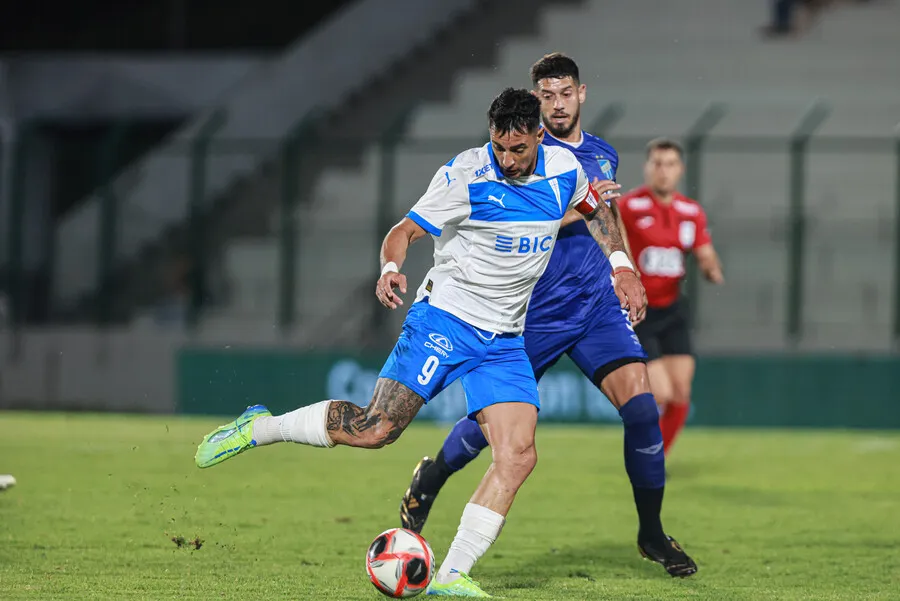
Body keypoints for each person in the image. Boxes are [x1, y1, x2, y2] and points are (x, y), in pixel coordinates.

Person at [193, 87, 646, 597]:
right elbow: (403, 230)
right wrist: (390, 267)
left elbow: (596, 211)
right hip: (445, 322)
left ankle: (451, 575)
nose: (508, 158)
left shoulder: (565, 167)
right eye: (499, 146)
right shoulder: (466, 175)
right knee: (373, 429)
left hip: (504, 338)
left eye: (518, 149)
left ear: (540, 136)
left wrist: (623, 267)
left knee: (518, 455)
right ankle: (261, 427)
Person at [398, 53, 698, 579]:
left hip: (596, 308)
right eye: (546, 95)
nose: (556, 104)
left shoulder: (600, 153)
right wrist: (575, 208)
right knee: (489, 427)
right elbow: (514, 218)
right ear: (534, 102)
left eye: (564, 94)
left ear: (582, 94)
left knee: (643, 411)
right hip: (534, 310)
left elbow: (603, 218)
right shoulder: (524, 152)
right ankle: (433, 477)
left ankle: (651, 534)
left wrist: (623, 268)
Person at [617, 138, 724, 458]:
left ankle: (653, 457)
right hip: (640, 310)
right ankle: (645, 451)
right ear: (647, 167)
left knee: (681, 393)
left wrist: (711, 268)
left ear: (681, 170)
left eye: (670, 164)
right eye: (657, 164)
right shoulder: (630, 207)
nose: (663, 171)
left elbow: (705, 253)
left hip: (673, 309)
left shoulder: (690, 212)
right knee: (661, 391)